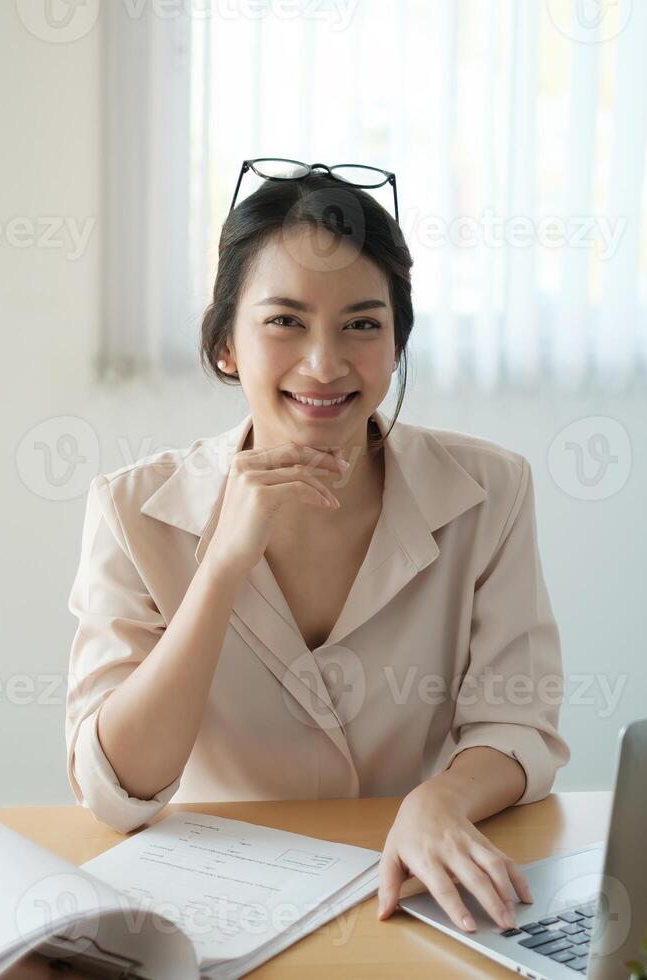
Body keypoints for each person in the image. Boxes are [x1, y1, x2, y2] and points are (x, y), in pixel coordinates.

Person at [64, 169, 569, 935]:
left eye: (363, 325)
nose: (325, 364)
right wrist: (224, 564)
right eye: (285, 322)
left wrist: (440, 799)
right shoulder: (134, 510)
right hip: (210, 912)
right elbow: (115, 787)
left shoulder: (490, 490)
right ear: (225, 343)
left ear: (397, 343)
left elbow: (518, 723)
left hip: (404, 899)